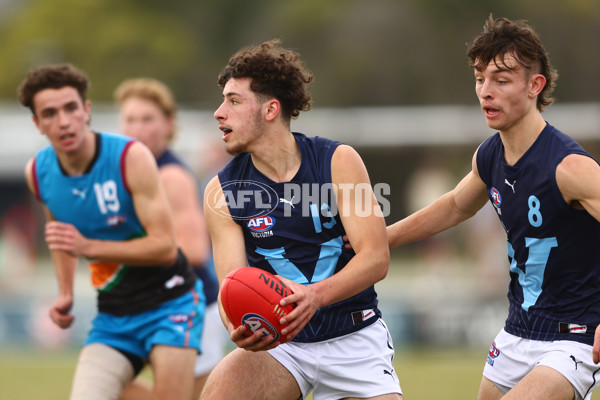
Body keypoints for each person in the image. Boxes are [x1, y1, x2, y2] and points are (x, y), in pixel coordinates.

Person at [386, 16, 600, 400]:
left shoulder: (570, 167)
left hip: (574, 335)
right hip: (518, 329)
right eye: (480, 78)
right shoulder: (490, 156)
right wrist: (381, 239)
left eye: (501, 80)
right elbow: (455, 206)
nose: (486, 92)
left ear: (535, 86)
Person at [200, 39, 402, 400]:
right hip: (280, 346)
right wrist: (237, 325)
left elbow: (375, 257)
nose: (219, 112)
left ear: (270, 110)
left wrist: (313, 296)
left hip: (353, 338)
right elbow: (230, 283)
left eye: (233, 101)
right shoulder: (220, 190)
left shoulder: (337, 161)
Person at [18, 63, 205, 400]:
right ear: (37, 123)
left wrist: (90, 245)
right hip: (114, 313)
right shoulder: (38, 172)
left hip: (171, 302)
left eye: (71, 108)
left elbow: (165, 247)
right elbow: (60, 236)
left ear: (86, 111)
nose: (63, 121)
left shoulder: (130, 157)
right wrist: (65, 293)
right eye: (49, 113)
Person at [113, 77, 225, 399]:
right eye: (130, 119)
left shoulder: (170, 176)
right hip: (154, 303)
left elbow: (193, 250)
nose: (137, 128)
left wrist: (118, 251)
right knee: (106, 379)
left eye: (147, 119)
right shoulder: (133, 172)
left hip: (189, 306)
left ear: (168, 124)